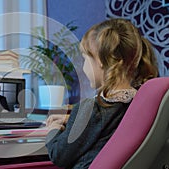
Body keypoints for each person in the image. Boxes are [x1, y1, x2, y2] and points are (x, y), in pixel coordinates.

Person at [45, 18, 158, 169]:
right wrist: (72, 119)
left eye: (85, 58)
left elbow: (59, 155)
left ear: (101, 62)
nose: (84, 66)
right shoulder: (139, 103)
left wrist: (53, 129)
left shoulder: (91, 109)